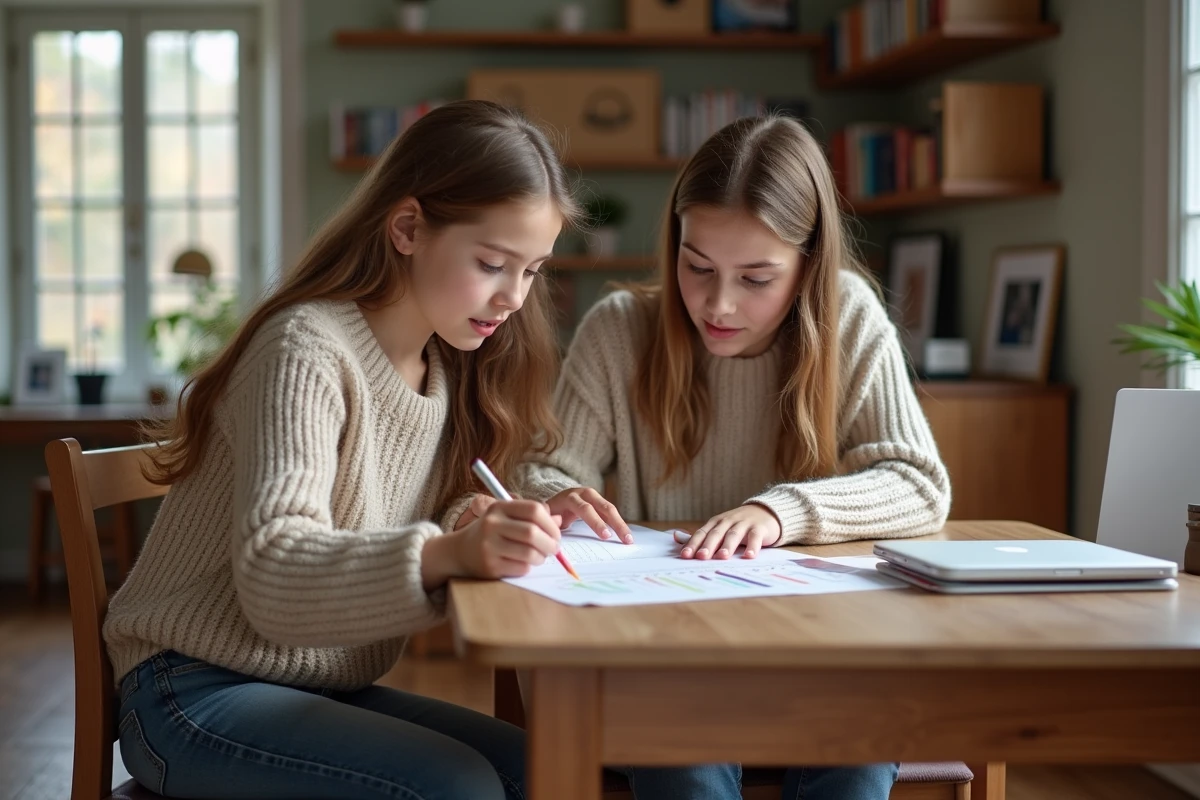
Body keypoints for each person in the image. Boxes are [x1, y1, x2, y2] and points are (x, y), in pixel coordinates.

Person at [104, 100, 589, 800]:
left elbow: (421, 501)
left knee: (544, 769)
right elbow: (275, 573)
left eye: (533, 270)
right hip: (190, 690)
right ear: (408, 228)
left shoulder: (445, 366)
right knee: (460, 787)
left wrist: (495, 513)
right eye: (492, 263)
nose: (514, 296)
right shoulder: (305, 349)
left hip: (313, 685)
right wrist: (450, 553)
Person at [519, 114, 952, 800]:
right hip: (663, 651)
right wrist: (555, 495)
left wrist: (780, 512)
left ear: (808, 265)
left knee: (859, 753)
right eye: (697, 268)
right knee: (683, 759)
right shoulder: (619, 330)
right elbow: (541, 470)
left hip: (821, 647)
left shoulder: (848, 315)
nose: (718, 304)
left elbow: (919, 483)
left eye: (756, 278)